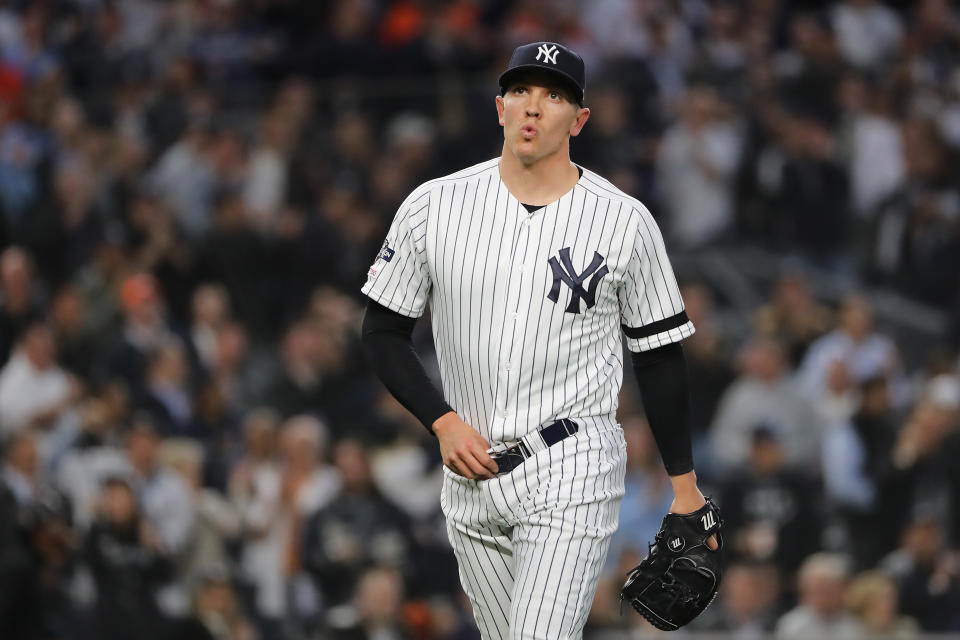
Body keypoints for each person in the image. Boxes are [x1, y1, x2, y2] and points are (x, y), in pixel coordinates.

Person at [361, 41, 716, 639]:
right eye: (522, 91)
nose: (534, 107)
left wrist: (685, 489)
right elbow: (382, 331)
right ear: (499, 107)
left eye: (554, 95)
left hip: (572, 461)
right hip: (470, 473)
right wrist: (440, 420)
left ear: (579, 120)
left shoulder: (624, 220)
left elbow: (658, 355)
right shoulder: (434, 205)